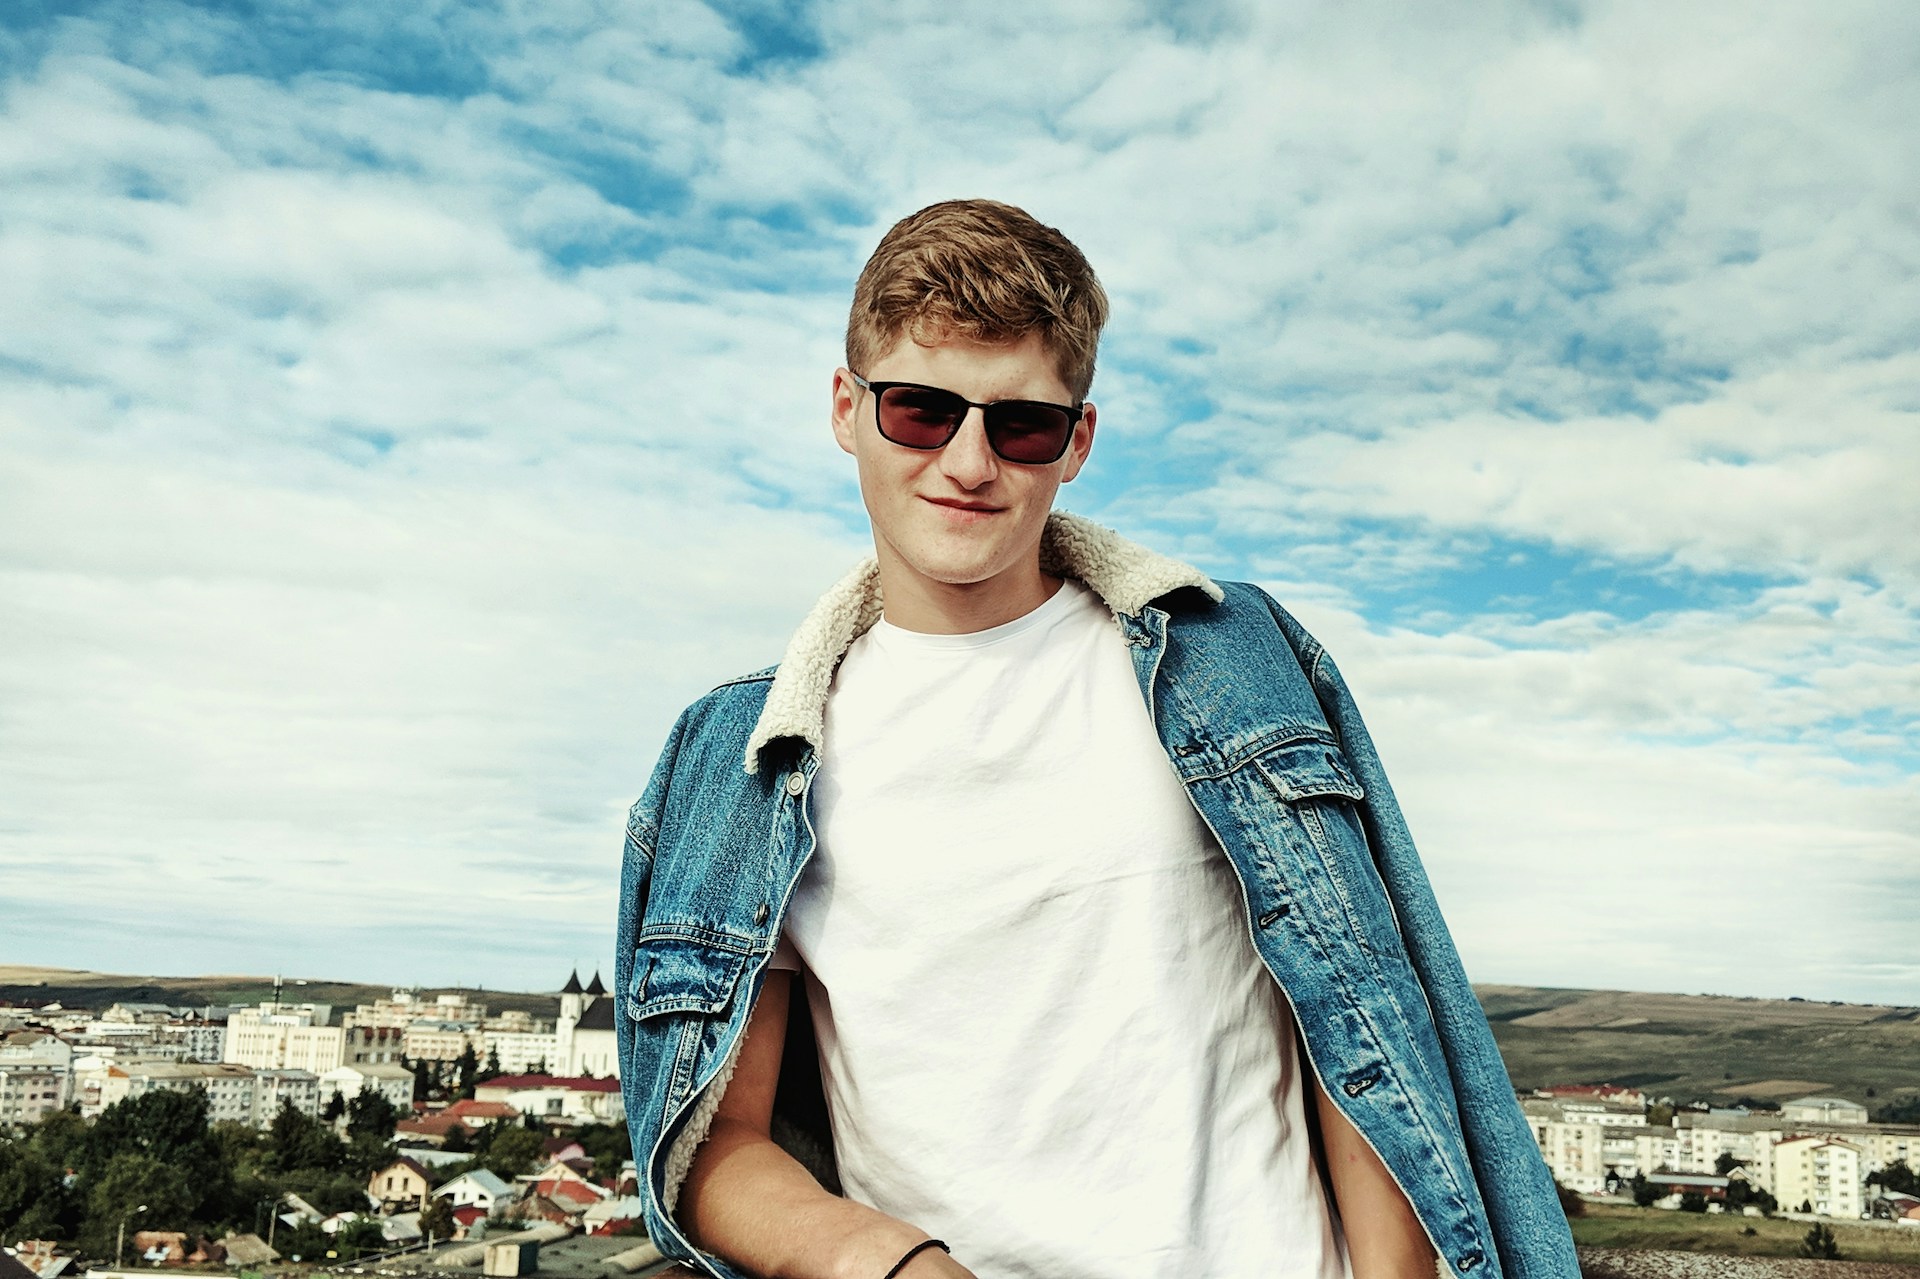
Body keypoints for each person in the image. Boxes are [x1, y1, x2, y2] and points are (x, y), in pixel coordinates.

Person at [614, 199, 1579, 1279]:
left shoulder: (1232, 660)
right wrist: (892, 1263)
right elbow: (711, 1149)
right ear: (848, 409)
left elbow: (1360, 1017)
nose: (969, 463)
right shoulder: (742, 760)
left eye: (1020, 424)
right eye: (921, 411)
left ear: (1076, 441)